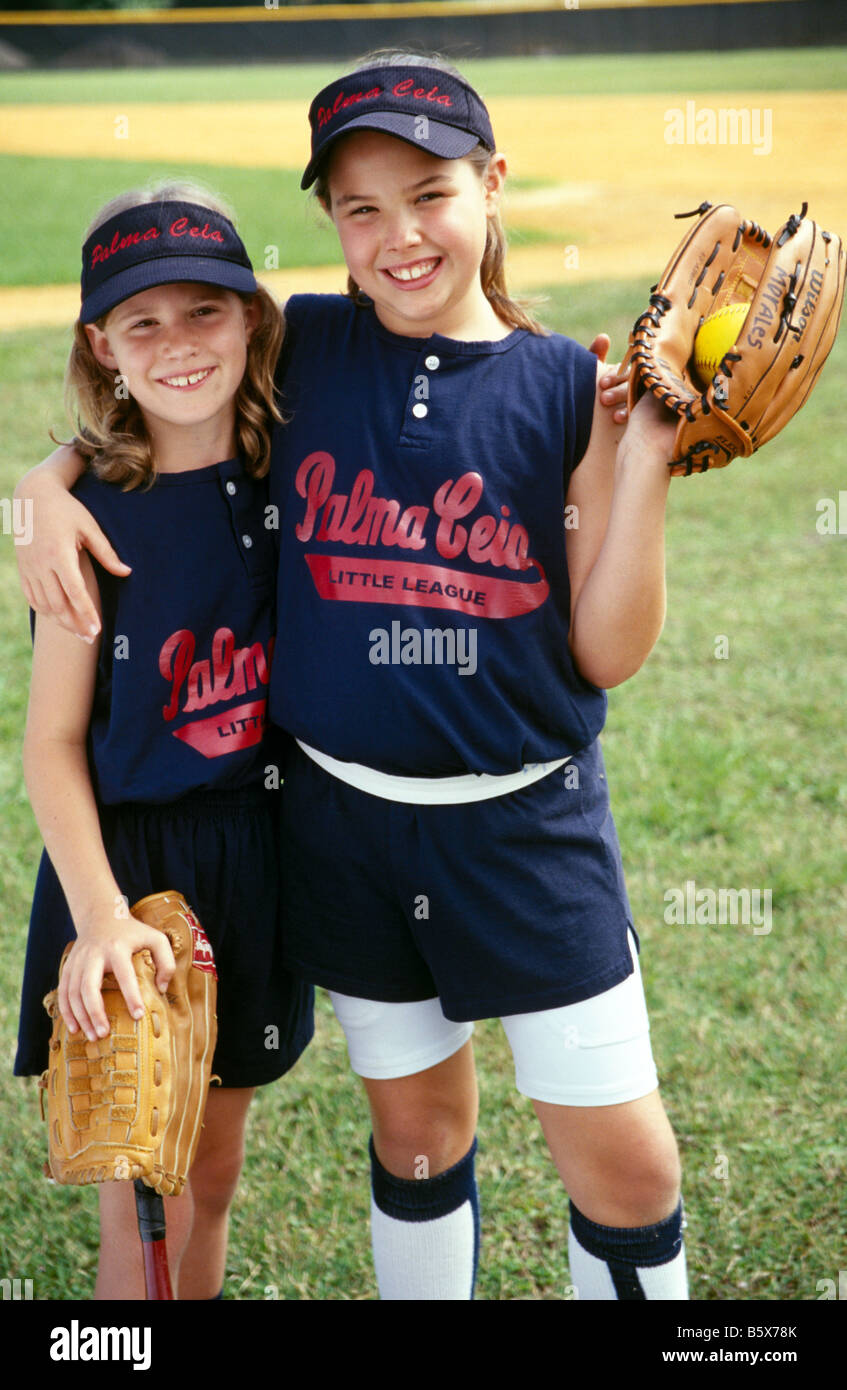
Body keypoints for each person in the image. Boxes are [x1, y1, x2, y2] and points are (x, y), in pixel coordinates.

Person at [13, 53, 672, 1302]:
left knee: (618, 1165)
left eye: (428, 192)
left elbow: (607, 648)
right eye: (359, 208)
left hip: (499, 833)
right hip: (310, 835)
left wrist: (637, 453)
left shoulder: (550, 385)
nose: (398, 234)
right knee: (390, 1136)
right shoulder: (309, 349)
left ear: (493, 184)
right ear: (327, 227)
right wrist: (40, 490)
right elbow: (152, 406)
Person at [14, 180, 313, 1300]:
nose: (179, 342)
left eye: (206, 309)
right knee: (145, 1193)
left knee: (216, 1167)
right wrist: (96, 917)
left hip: (258, 855)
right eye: (143, 320)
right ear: (102, 344)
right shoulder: (93, 517)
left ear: (253, 317)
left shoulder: (295, 466)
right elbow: (48, 743)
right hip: (128, 875)